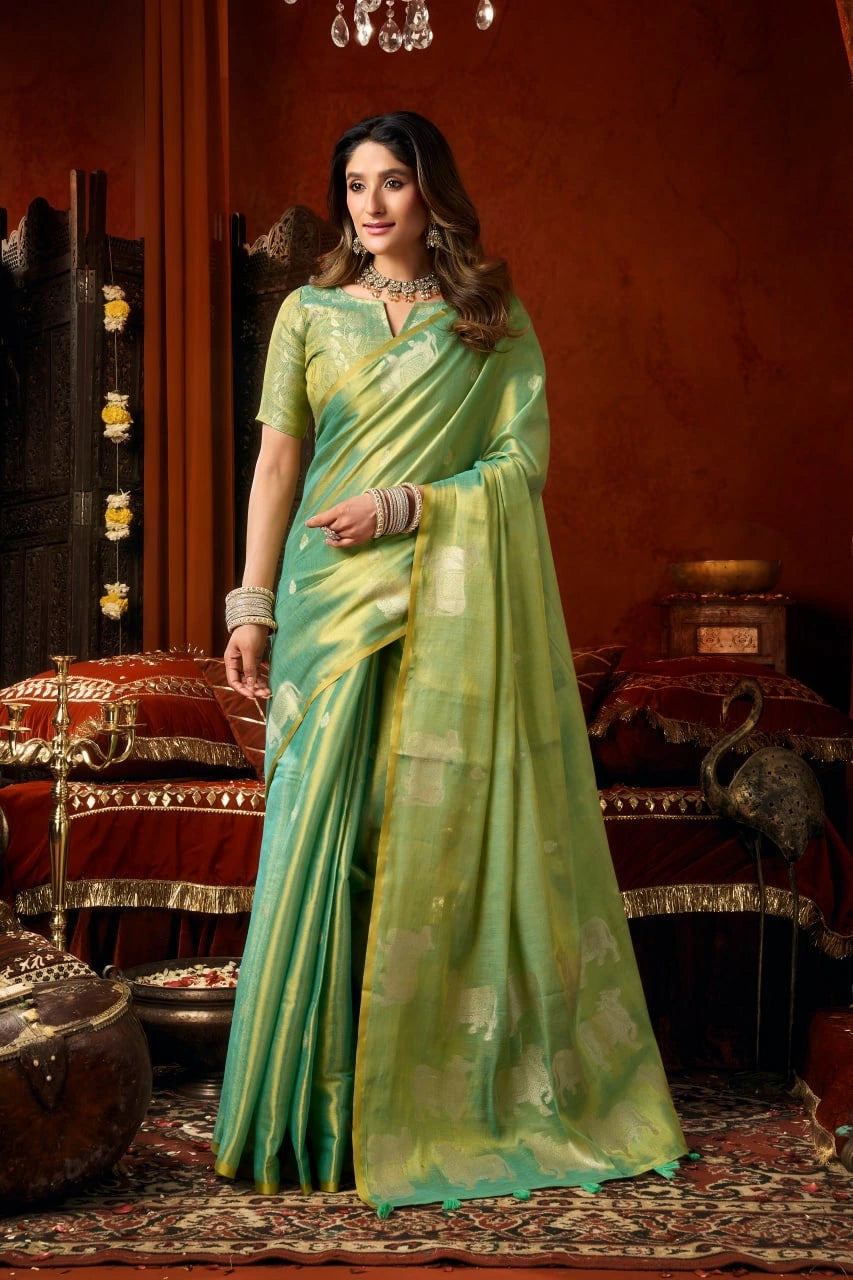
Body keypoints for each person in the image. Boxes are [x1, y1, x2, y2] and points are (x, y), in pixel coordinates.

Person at [212, 111, 686, 1213]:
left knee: (411, 833)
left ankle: (421, 1098)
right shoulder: (307, 314)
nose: (371, 207)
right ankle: (308, 1116)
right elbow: (278, 460)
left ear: (432, 195)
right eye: (356, 186)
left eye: (393, 184)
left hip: (436, 594)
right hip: (327, 607)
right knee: (323, 838)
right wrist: (251, 603)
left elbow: (521, 462)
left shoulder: (486, 319)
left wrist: (414, 502)